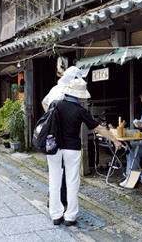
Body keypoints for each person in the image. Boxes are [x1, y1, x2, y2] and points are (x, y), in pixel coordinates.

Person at [47, 76, 125, 226]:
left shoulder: (55, 104)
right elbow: (99, 128)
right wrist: (115, 140)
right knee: (72, 182)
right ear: (79, 96)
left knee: (55, 181)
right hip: (72, 149)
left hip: (54, 148)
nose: (83, 99)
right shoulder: (80, 110)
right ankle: (70, 217)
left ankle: (56, 215)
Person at [42, 66, 83, 212]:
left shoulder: (55, 88)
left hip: (51, 136)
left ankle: (52, 201)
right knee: (66, 172)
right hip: (64, 137)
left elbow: (44, 102)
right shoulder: (66, 92)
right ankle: (63, 204)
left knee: (54, 172)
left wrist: (49, 118)